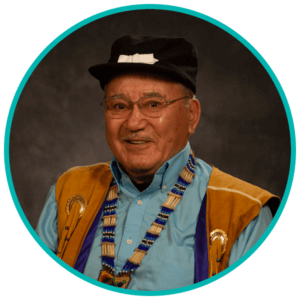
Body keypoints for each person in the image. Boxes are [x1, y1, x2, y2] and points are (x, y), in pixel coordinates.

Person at [36, 35, 280, 290]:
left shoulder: (245, 214)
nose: (133, 123)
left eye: (153, 104)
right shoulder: (68, 192)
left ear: (192, 116)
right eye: (119, 106)